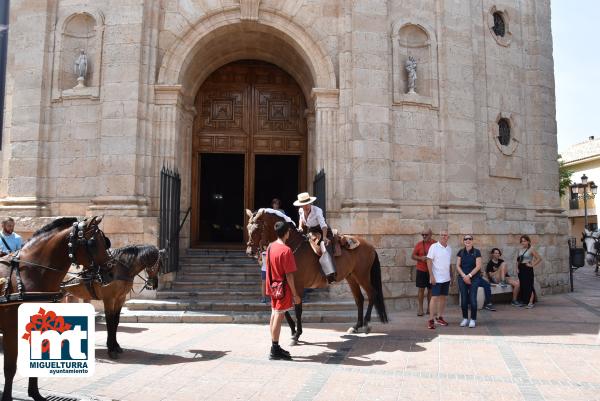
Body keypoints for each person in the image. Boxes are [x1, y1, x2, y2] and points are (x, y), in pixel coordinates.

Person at [265, 221, 301, 360]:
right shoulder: (286, 250)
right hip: (283, 288)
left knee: (274, 314)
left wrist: (269, 287)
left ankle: (275, 346)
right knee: (278, 317)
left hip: (274, 287)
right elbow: (289, 275)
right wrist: (295, 294)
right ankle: (274, 349)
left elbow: (267, 268)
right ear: (286, 233)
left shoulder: (270, 247)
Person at [293, 192, 336, 283]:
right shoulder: (301, 211)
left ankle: (330, 274)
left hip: (322, 231)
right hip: (311, 232)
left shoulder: (317, 211)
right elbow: (301, 219)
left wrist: (324, 237)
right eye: (303, 204)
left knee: (323, 245)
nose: (306, 206)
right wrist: (300, 227)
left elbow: (323, 225)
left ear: (310, 202)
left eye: (307, 203)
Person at [456, 235, 486, 328]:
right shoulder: (461, 252)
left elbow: (478, 266)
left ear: (472, 241)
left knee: (473, 299)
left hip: (474, 278)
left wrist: (469, 276)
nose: (468, 240)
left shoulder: (477, 252)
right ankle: (465, 318)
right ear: (463, 241)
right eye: (466, 239)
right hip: (462, 278)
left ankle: (473, 319)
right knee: (464, 299)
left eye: (470, 239)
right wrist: (464, 276)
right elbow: (457, 266)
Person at [426, 230, 452, 330]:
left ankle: (439, 317)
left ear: (448, 237)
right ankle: (431, 320)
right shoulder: (434, 247)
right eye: (441, 235)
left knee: (443, 298)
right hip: (436, 278)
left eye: (445, 235)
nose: (443, 236)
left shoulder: (449, 248)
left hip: (446, 278)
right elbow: (429, 261)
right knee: (434, 298)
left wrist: (451, 276)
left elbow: (448, 263)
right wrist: (431, 276)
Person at [411, 228, 435, 316]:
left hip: (432, 271)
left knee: (431, 290)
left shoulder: (436, 244)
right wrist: (421, 258)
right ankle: (420, 308)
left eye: (426, 235)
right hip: (421, 270)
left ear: (431, 235)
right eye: (423, 235)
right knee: (421, 289)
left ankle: (429, 308)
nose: (424, 236)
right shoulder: (419, 244)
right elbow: (413, 256)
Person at [516, 235, 542, 308]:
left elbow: (539, 258)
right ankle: (525, 301)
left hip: (527, 268)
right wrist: (517, 268)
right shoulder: (520, 250)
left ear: (528, 241)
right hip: (521, 268)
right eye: (522, 241)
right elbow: (518, 260)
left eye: (524, 241)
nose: (523, 242)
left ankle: (530, 302)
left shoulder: (531, 249)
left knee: (529, 285)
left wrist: (532, 265)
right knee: (523, 285)